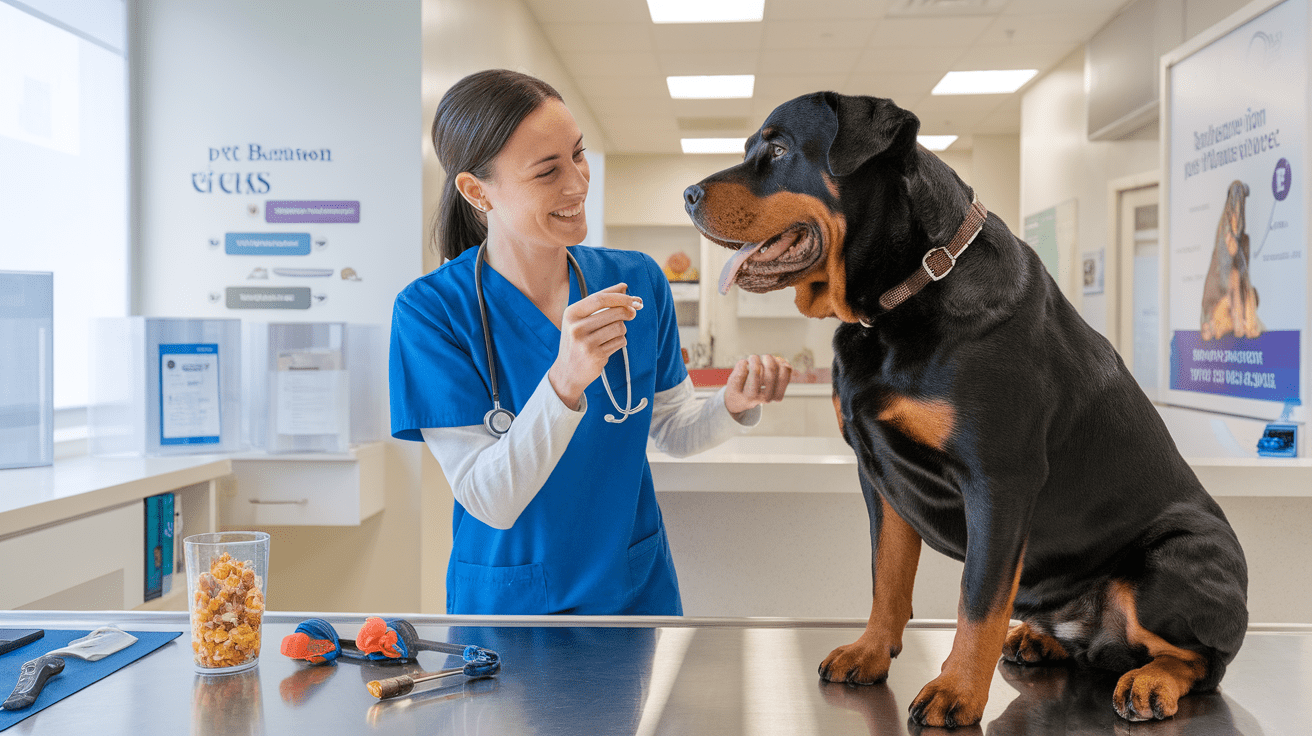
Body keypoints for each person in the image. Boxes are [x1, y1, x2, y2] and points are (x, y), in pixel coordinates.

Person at [389, 69, 791, 616]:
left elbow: (670, 429)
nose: (577, 184)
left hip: (632, 594)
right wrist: (565, 381)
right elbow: (491, 500)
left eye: (577, 155)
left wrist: (733, 405)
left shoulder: (638, 281)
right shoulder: (432, 312)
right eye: (547, 171)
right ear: (476, 190)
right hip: (510, 606)